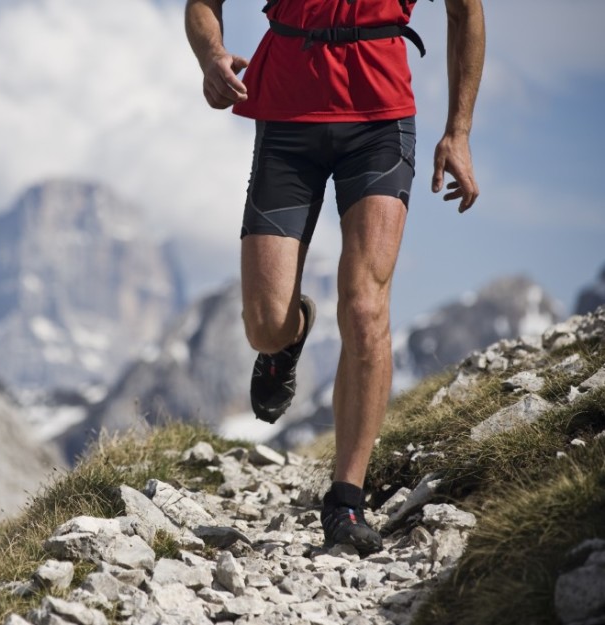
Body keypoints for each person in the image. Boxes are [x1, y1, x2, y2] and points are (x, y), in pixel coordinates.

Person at [185, 0, 484, 555]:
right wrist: (211, 56)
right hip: (287, 111)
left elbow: (465, 11)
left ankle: (346, 499)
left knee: (366, 307)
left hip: (379, 116)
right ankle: (288, 340)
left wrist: (458, 132)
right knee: (265, 326)